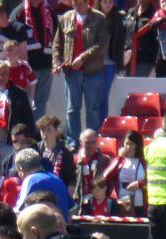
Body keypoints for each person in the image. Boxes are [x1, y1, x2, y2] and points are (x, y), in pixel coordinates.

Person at [54, 0, 108, 149]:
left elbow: (102, 44)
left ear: (87, 3)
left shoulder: (99, 18)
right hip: (71, 72)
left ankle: (92, 142)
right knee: (72, 109)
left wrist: (82, 58)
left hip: (93, 71)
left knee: (92, 110)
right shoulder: (66, 18)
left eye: (80, 4)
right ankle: (72, 142)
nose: (77, 7)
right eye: (75, 3)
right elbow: (57, 43)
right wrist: (56, 63)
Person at [11, 0, 58, 118]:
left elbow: (57, 37)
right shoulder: (18, 13)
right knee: (25, 101)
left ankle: (37, 134)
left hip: (47, 66)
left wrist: (56, 61)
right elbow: (13, 41)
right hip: (27, 68)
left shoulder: (50, 12)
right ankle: (26, 132)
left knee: (41, 102)